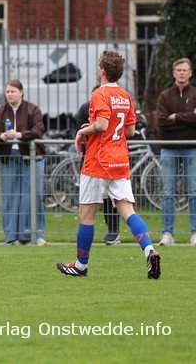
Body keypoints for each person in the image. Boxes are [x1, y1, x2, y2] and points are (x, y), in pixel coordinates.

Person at [57, 50, 161, 279]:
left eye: (98, 66)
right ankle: (149, 250)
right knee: (128, 210)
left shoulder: (99, 94)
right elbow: (130, 131)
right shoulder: (125, 95)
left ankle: (81, 265)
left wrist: (82, 131)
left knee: (86, 215)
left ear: (103, 71)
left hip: (98, 161)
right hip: (120, 160)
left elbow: (102, 125)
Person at [0, 79, 46, 245]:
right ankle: (11, 236)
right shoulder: (0, 111)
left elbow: (38, 130)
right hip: (9, 158)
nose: (9, 95)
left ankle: (35, 234)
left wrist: (20, 135)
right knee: (10, 197)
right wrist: (0, 135)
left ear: (21, 92)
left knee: (33, 195)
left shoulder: (33, 109)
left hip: (31, 157)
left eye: (13, 91)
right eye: (7, 92)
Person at [156, 57, 196, 246]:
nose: (181, 73)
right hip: (169, 148)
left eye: (184, 70)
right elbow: (162, 122)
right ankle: (167, 233)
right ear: (173, 73)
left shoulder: (195, 94)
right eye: (178, 70)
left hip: (192, 147)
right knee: (168, 192)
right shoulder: (164, 96)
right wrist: (188, 118)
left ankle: (195, 232)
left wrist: (176, 117)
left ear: (190, 73)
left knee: (194, 191)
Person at [76, 89, 121, 245]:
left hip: (108, 159)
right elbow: (81, 133)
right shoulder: (85, 109)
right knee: (88, 203)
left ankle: (113, 231)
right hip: (91, 159)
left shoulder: (113, 108)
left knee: (111, 198)